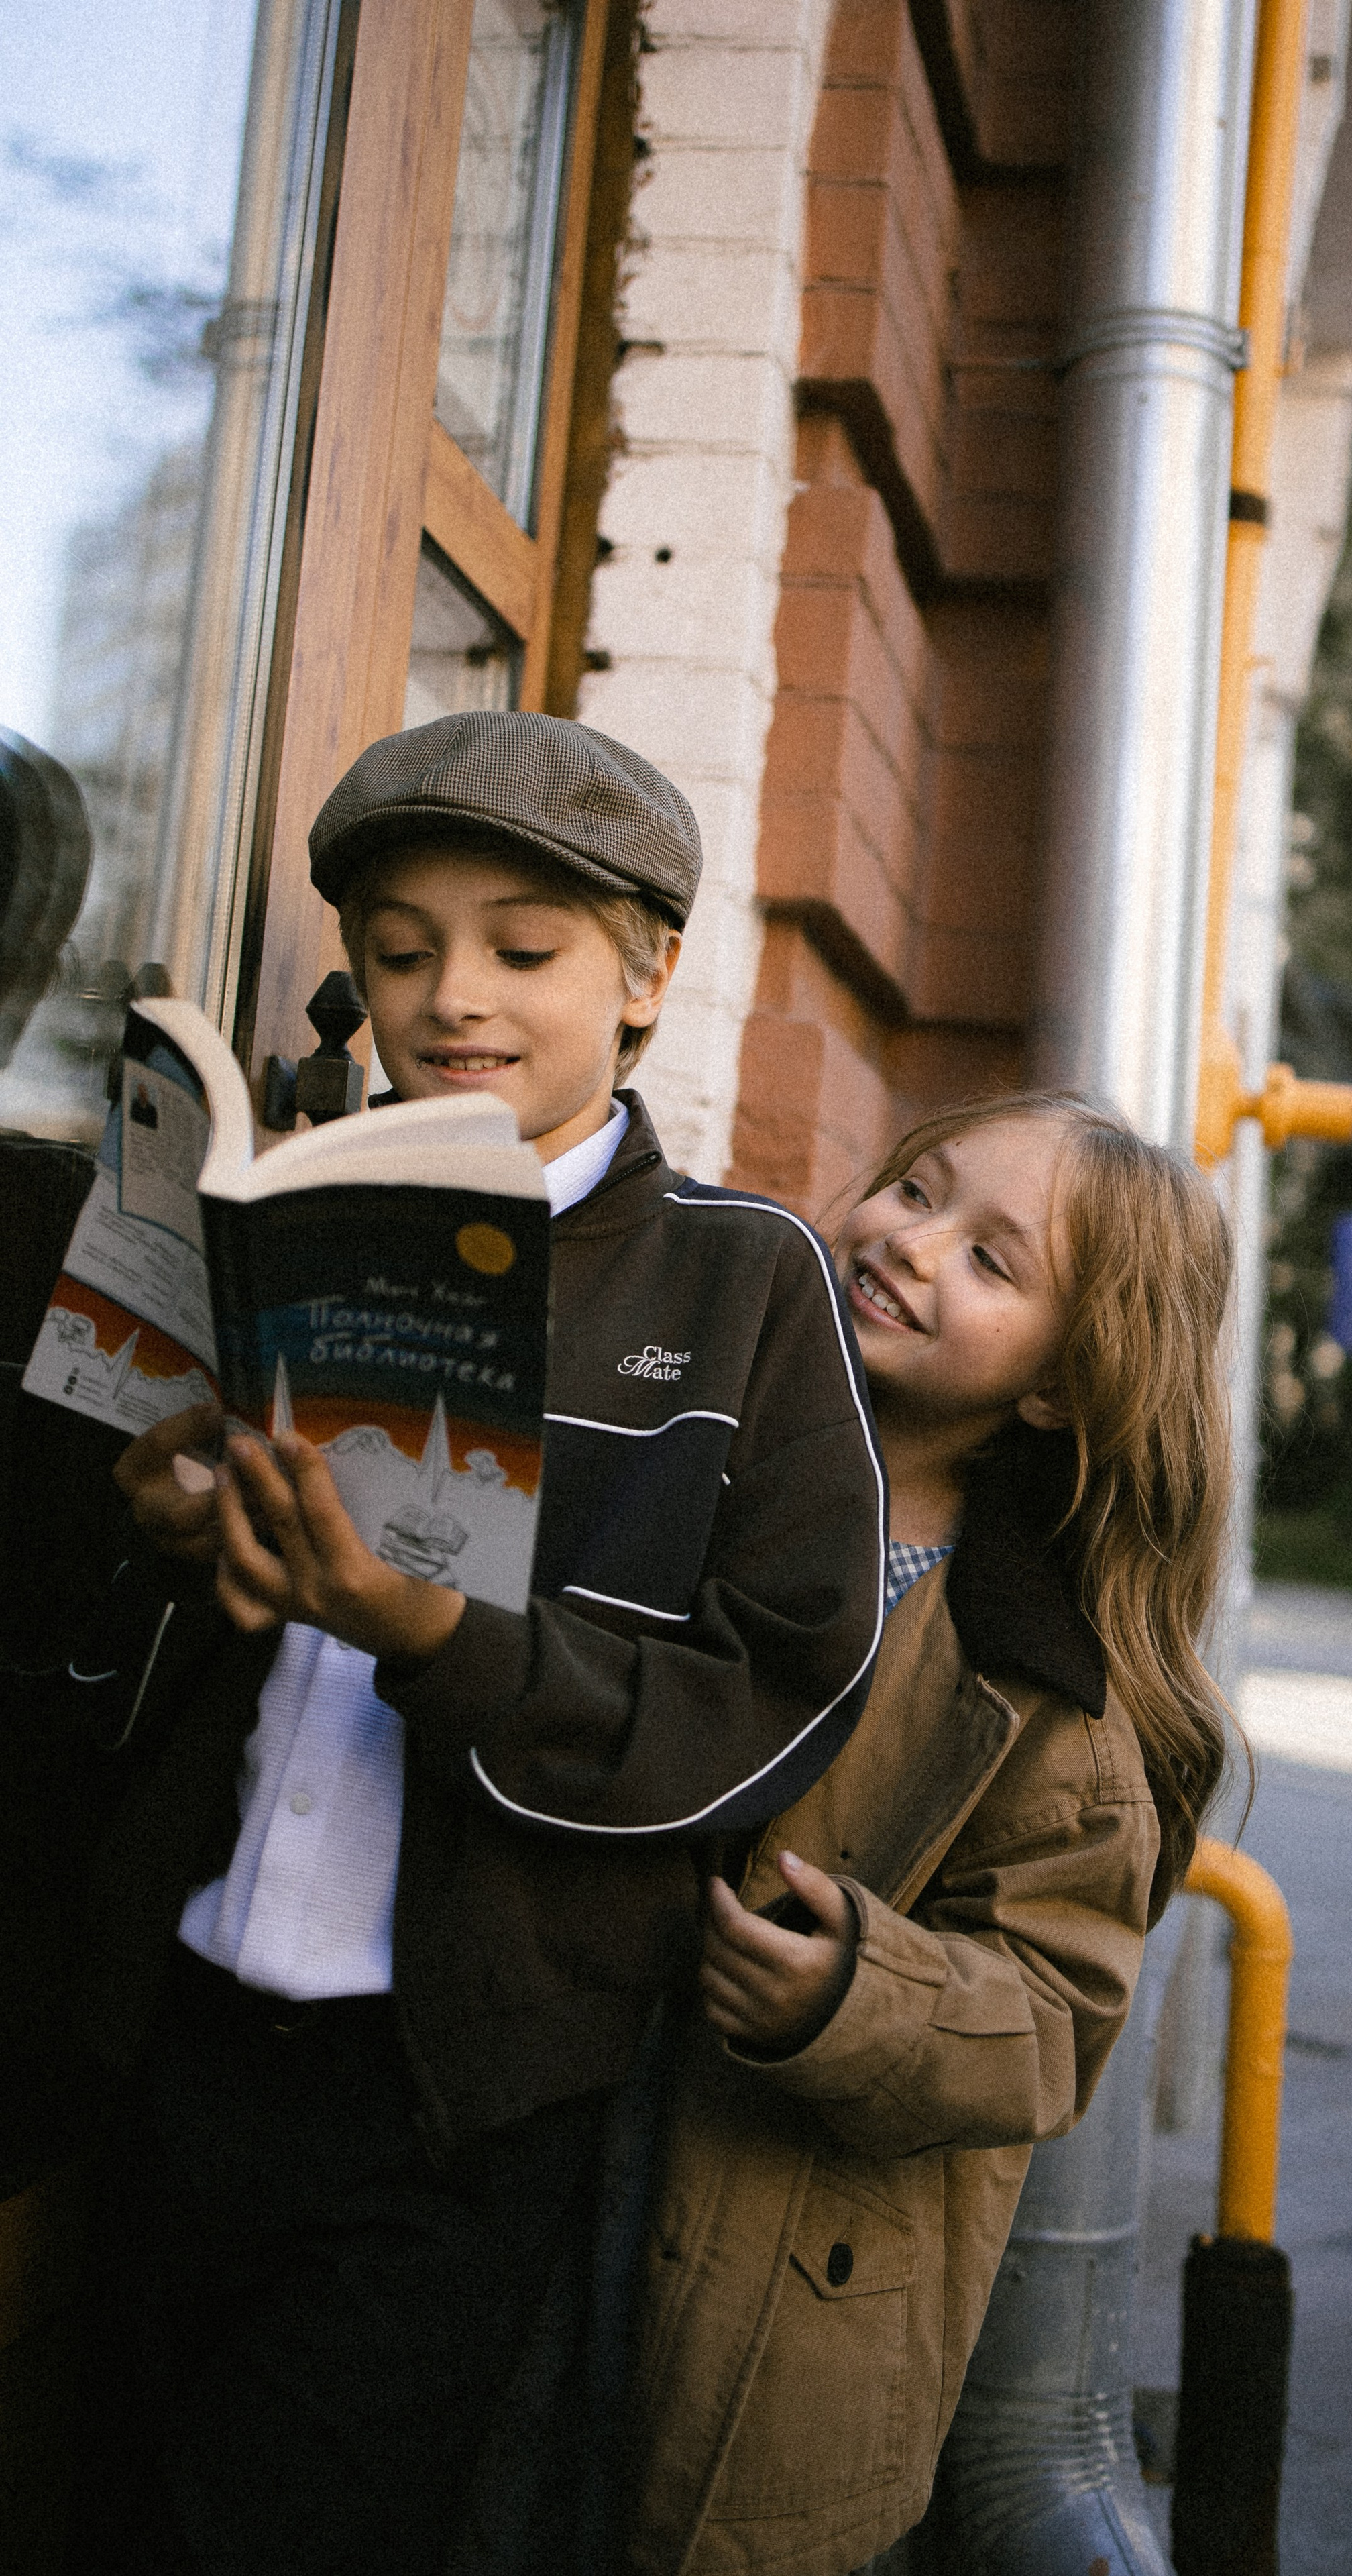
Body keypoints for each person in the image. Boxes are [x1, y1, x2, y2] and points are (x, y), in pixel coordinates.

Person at [61, 710, 885, 2575]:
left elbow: (777, 1690)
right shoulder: (285, 1204)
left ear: (651, 976)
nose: (456, 998)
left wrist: (445, 1637)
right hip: (176, 2020)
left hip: (449, 2089)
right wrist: (189, 1531)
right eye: (404, 948)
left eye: (527, 949)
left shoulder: (742, 1284)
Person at [617, 1090, 1237, 2576]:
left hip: (781, 2307)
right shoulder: (699, 1457)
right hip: (571, 2186)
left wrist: (858, 1997)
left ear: (1058, 1389)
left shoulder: (1048, 1701)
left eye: (989, 1260)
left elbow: (1051, 2016)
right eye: (912, 1187)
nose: (907, 1242)